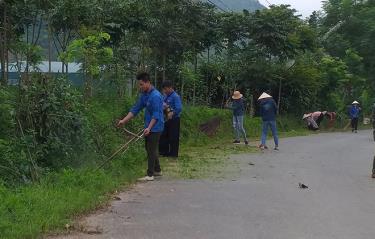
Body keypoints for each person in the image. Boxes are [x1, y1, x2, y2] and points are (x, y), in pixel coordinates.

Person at [117, 72, 164, 182]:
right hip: (148, 126)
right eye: (139, 85)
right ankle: (158, 170)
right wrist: (123, 120)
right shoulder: (144, 95)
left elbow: (156, 115)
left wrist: (149, 128)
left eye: (142, 84)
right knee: (149, 148)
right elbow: (135, 109)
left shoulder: (156, 96)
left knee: (151, 149)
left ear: (148, 82)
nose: (140, 87)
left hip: (156, 126)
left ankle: (150, 174)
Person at [159, 80, 182, 157]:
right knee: (163, 135)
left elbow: (179, 108)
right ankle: (163, 152)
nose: (164, 91)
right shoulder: (165, 96)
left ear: (170, 88)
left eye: (165, 89)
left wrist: (172, 113)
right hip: (165, 119)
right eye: (163, 89)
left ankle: (173, 154)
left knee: (173, 137)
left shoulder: (176, 96)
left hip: (174, 119)